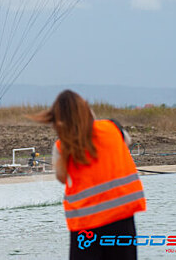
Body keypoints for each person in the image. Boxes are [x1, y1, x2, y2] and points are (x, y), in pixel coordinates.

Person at [31, 90, 146, 260]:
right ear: (86, 110)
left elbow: (62, 178)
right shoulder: (113, 128)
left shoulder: (62, 146)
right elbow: (126, 143)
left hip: (85, 228)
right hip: (121, 220)